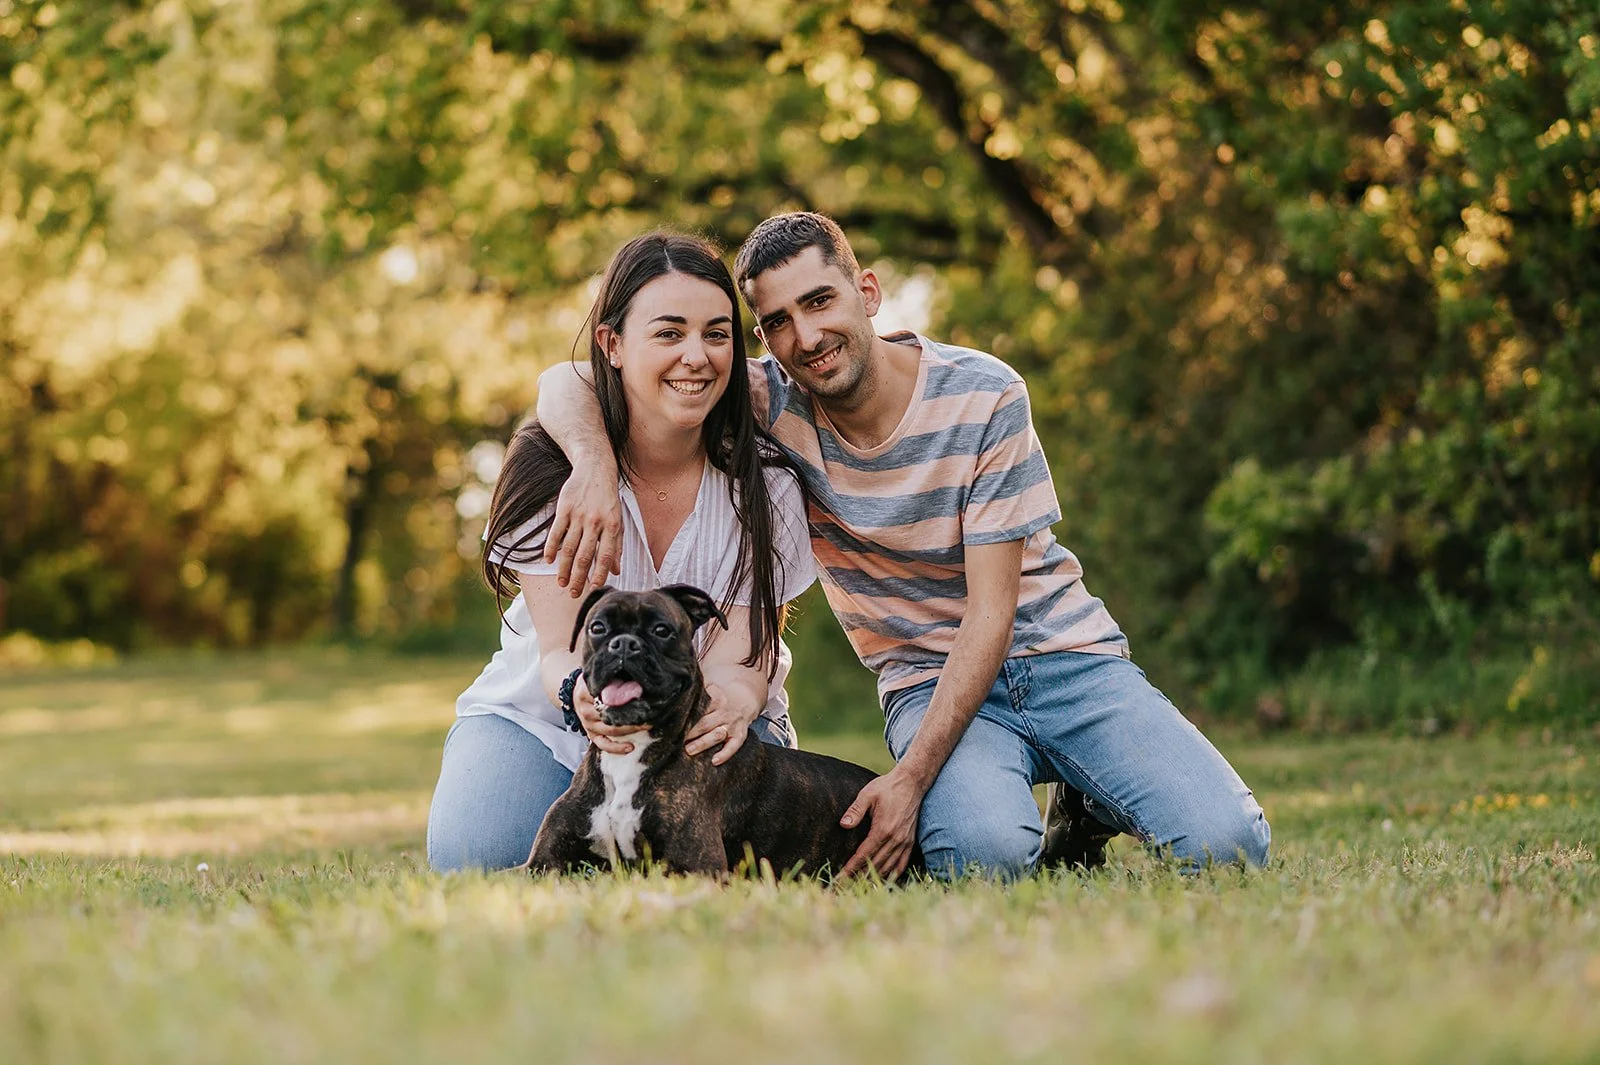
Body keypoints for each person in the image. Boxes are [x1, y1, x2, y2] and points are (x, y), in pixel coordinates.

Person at [536, 212, 1270, 881]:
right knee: (980, 862)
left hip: (1063, 659)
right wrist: (595, 467)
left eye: (820, 301)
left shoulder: (985, 394)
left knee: (1228, 847)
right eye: (778, 322)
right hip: (925, 679)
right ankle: (1070, 820)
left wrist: (910, 780)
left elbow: (992, 614)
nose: (807, 336)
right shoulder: (767, 400)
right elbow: (568, 379)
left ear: (867, 290)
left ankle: (1092, 791)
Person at [426, 232, 814, 873]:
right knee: (475, 858)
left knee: (732, 863)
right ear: (612, 344)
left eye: (717, 334)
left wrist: (739, 698)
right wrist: (582, 693)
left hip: (703, 723)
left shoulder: (765, 479)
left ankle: (627, 832)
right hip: (548, 720)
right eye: (667, 333)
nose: (696, 356)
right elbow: (559, 652)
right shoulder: (553, 468)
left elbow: (742, 653)